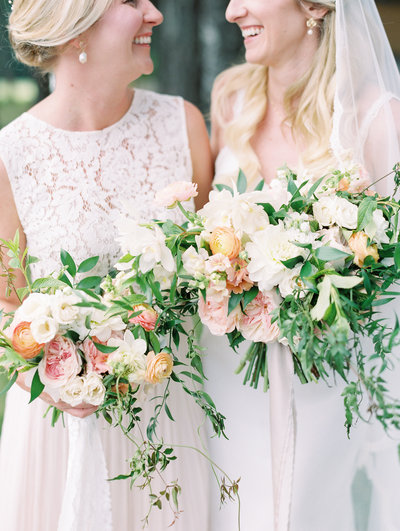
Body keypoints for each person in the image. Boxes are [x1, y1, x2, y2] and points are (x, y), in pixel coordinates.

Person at [0, 1, 213, 530]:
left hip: (169, 417)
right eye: (131, 2)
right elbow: (7, 301)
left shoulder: (181, 124)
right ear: (76, 30)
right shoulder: (13, 155)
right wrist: (54, 381)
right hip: (62, 429)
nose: (156, 15)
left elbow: (211, 278)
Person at [203, 0, 400, 530]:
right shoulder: (231, 100)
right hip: (226, 389)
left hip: (326, 392)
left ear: (315, 5)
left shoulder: (378, 119)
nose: (231, 11)